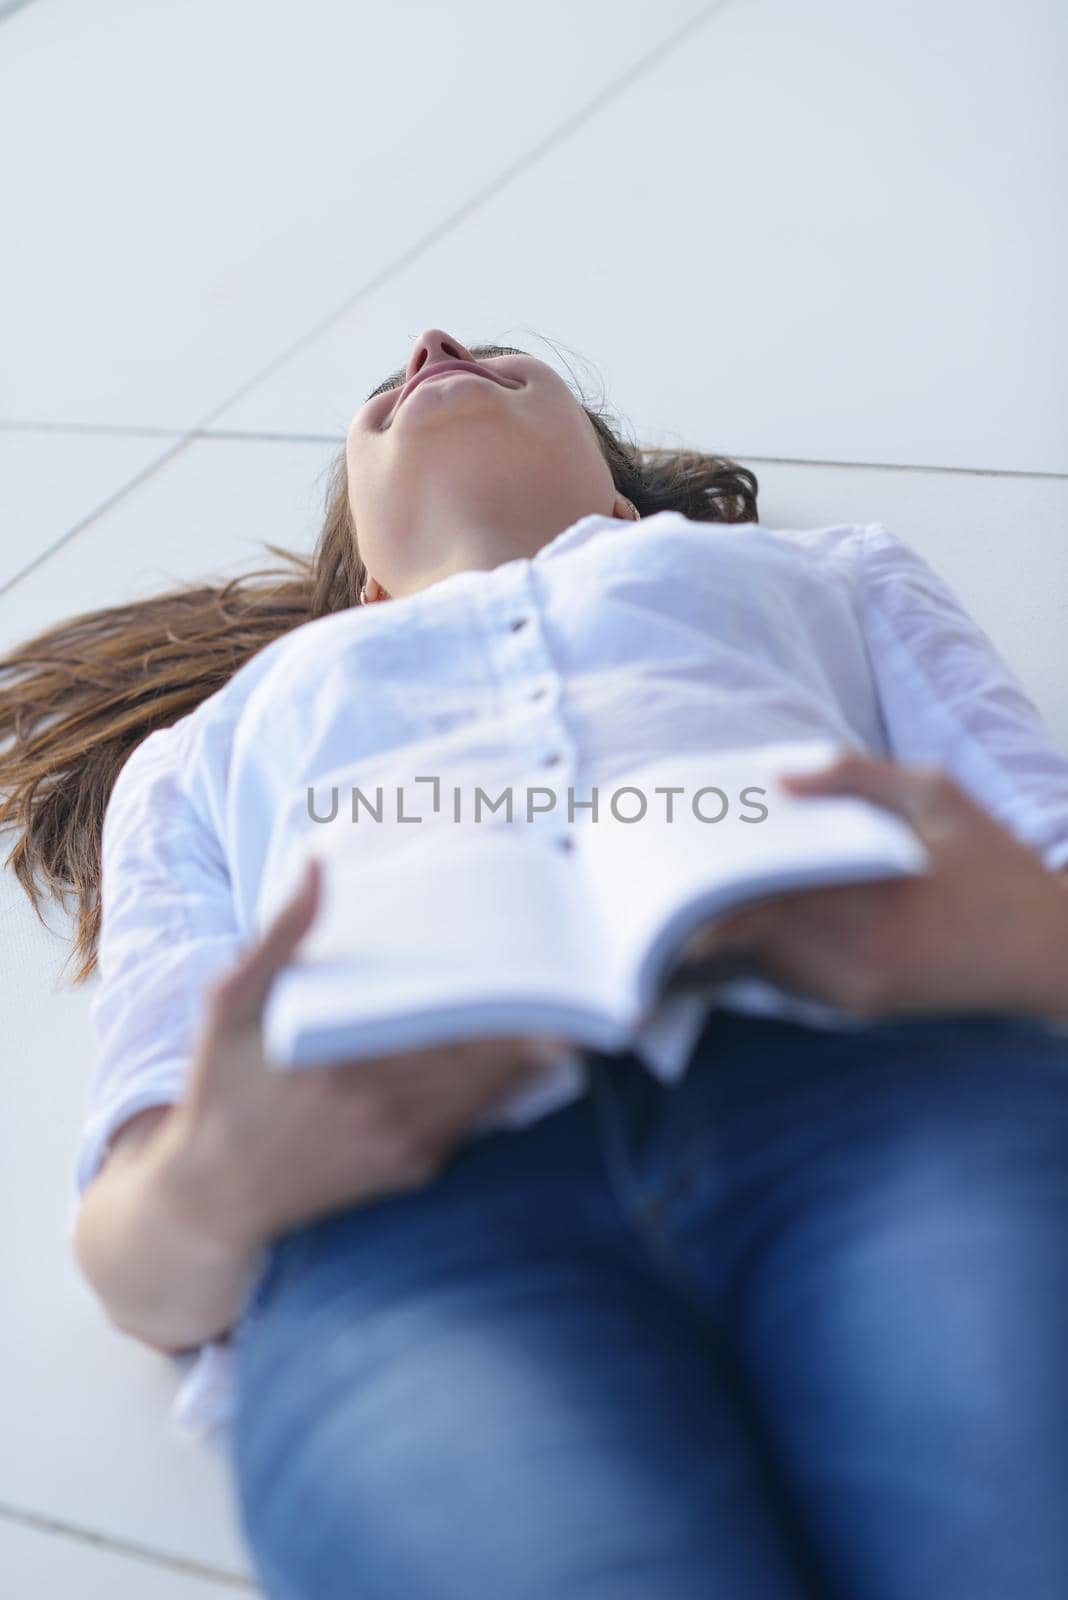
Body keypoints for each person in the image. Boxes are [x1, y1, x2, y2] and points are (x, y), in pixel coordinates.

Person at [2, 327, 1067, 1600]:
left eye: (494, 349)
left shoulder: (827, 576)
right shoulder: (201, 753)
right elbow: (135, 1247)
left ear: (621, 500)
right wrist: (216, 1184)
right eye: (379, 391)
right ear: (365, 602)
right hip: (410, 1231)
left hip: (891, 1095)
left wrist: (1016, 939)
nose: (429, 344)